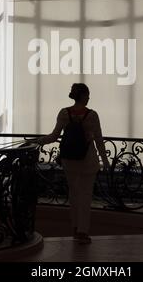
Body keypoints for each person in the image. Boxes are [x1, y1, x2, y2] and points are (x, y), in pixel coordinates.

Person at [38, 83, 110, 244]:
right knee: (85, 196)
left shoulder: (64, 113)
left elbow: (54, 136)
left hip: (69, 160)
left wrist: (40, 141)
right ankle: (83, 231)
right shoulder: (92, 115)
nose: (89, 97)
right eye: (88, 94)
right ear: (83, 95)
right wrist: (105, 160)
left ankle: (75, 227)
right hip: (87, 160)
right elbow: (99, 140)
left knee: (74, 195)